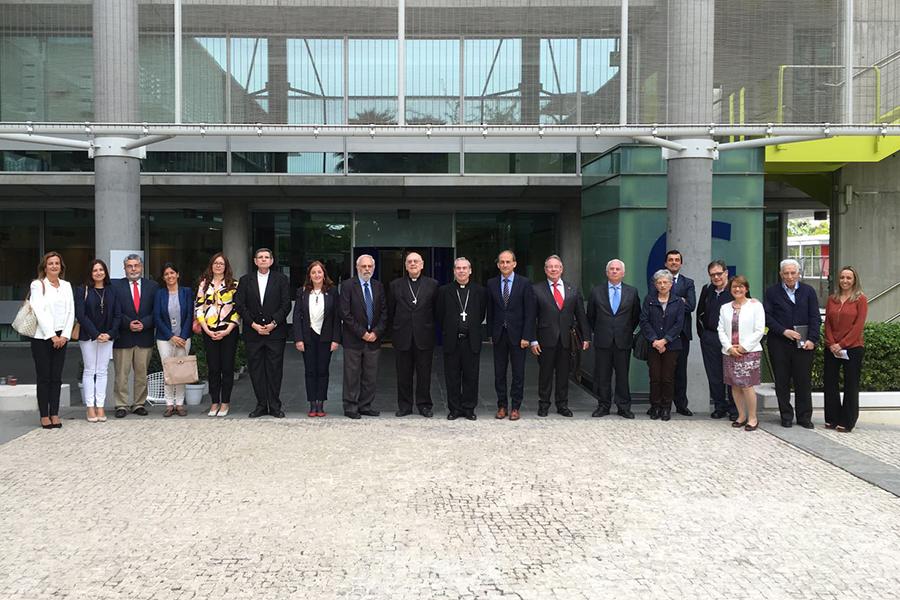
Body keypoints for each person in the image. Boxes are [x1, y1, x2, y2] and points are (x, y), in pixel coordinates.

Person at [763, 258, 822, 429]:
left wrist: (812, 339)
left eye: (793, 273)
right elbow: (767, 317)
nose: (789, 276)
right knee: (782, 382)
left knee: (803, 381)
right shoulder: (771, 292)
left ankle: (804, 417)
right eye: (786, 273)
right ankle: (786, 416)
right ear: (781, 274)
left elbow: (815, 318)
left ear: (798, 274)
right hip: (779, 343)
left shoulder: (808, 291)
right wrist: (783, 331)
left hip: (804, 345)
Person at [530, 255, 589, 417]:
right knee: (545, 374)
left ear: (562, 269)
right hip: (545, 339)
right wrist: (533, 339)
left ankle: (562, 405)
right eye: (550, 266)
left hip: (566, 339)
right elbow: (531, 317)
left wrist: (586, 337)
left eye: (556, 266)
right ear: (545, 269)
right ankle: (544, 404)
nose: (553, 269)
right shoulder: (536, 289)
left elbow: (580, 315)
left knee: (564, 374)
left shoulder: (572, 289)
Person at [235, 248, 291, 418]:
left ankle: (274, 405)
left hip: (275, 333)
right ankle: (261, 405)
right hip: (253, 333)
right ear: (255, 261)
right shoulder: (245, 280)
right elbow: (240, 305)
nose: (264, 260)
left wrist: (273, 323)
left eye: (267, 257)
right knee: (256, 370)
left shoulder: (281, 279)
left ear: (272, 261)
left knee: (275, 370)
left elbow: (286, 304)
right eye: (260, 257)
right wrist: (253, 324)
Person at [587, 259, 641, 418]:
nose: (615, 271)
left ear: (623, 273)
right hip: (603, 340)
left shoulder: (632, 292)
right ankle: (603, 406)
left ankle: (624, 407)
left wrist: (625, 331)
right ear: (607, 272)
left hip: (623, 340)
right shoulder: (596, 291)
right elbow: (591, 316)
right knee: (603, 376)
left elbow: (636, 316)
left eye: (618, 269)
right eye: (612, 269)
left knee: (623, 376)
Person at [486, 250, 536, 421]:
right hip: (499, 335)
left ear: (514, 264)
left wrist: (527, 336)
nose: (505, 265)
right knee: (499, 373)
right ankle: (502, 406)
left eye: (508, 262)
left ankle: (515, 407)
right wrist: (490, 334)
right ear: (498, 264)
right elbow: (490, 311)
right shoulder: (491, 283)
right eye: (502, 262)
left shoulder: (525, 283)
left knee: (518, 373)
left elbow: (530, 313)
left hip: (518, 336)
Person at [388, 252, 439, 418]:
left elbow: (437, 311)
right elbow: (391, 311)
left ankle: (424, 405)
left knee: (424, 374)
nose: (413, 264)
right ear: (405, 265)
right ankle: (405, 406)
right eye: (409, 261)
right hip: (402, 336)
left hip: (424, 336)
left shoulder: (432, 284)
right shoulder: (395, 285)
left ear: (422, 264)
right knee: (403, 374)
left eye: (416, 261)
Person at [28, 251, 75, 429]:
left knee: (56, 377)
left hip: (61, 337)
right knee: (44, 377)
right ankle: (44, 415)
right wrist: (52, 335)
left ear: (61, 266)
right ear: (45, 267)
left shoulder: (66, 285)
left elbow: (71, 311)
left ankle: (55, 413)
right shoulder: (37, 285)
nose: (54, 266)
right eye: (51, 263)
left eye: (57, 263)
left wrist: (64, 335)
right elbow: (39, 311)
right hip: (42, 338)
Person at [437, 257, 487, 421]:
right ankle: (454, 409)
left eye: (465, 268)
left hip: (471, 340)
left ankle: (469, 408)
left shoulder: (479, 291)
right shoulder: (444, 291)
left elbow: (480, 315)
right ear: (454, 271)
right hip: (452, 340)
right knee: (452, 377)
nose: (461, 271)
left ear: (470, 271)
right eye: (458, 268)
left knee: (471, 377)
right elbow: (440, 314)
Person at [340, 254, 388, 419]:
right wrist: (363, 333)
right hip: (353, 339)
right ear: (357, 267)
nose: (367, 269)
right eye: (363, 266)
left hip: (374, 339)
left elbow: (383, 312)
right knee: (351, 375)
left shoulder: (378, 286)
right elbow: (345, 314)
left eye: (369, 266)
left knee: (370, 375)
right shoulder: (347, 285)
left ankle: (365, 405)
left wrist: (375, 332)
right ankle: (351, 407)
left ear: (373, 268)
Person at [112, 254, 158, 418]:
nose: (133, 269)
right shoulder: (116, 286)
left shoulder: (152, 286)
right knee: (121, 374)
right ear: (124, 269)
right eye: (129, 266)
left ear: (141, 267)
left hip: (144, 336)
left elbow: (156, 311)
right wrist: (127, 323)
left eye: (136, 266)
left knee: (141, 374)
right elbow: (114, 310)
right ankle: (121, 404)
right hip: (123, 336)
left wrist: (144, 324)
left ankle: (138, 403)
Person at [74, 259, 121, 423]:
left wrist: (109, 334)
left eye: (101, 269)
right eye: (95, 270)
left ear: (105, 272)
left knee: (102, 371)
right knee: (89, 370)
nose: (98, 272)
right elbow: (81, 315)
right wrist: (96, 334)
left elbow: (117, 315)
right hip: (88, 337)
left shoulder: (112, 290)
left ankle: (100, 406)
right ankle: (90, 407)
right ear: (90, 273)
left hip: (107, 337)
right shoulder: (82, 290)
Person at [293, 261, 341, 418]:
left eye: (319, 272)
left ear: (324, 274)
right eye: (313, 272)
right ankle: (312, 403)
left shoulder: (332, 292)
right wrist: (298, 339)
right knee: (310, 371)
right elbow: (297, 317)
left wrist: (336, 339)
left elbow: (336, 317)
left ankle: (321, 403)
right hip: (307, 337)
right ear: (309, 275)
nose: (317, 275)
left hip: (326, 337)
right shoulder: (302, 292)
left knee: (323, 371)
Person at [718, 275, 766, 431]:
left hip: (749, 352)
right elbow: (721, 330)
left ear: (747, 288)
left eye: (741, 286)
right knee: (734, 385)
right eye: (734, 287)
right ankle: (741, 415)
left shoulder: (755, 305)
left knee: (747, 385)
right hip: (729, 352)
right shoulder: (725, 307)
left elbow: (760, 330)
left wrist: (743, 347)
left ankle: (752, 418)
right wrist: (730, 347)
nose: (737, 289)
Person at [823, 266, 868, 432]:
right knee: (830, 383)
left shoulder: (860, 299)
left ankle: (847, 421)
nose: (845, 281)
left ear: (854, 280)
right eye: (842, 277)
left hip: (853, 348)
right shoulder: (832, 299)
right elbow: (827, 323)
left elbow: (858, 326)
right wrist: (832, 343)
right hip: (832, 348)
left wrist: (842, 344)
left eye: (849, 278)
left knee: (851, 385)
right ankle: (832, 418)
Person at [196, 253, 240, 417]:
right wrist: (205, 328)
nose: (218, 266)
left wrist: (228, 329)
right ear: (211, 265)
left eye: (221, 263)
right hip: (209, 330)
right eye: (215, 263)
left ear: (226, 266)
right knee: (213, 368)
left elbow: (237, 309)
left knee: (227, 368)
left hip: (228, 331)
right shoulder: (204, 284)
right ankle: (214, 402)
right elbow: (199, 307)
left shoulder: (233, 285)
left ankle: (225, 403)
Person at [639, 269, 685, 421]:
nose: (662, 285)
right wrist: (655, 340)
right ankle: (655, 406)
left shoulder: (678, 301)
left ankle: (666, 408)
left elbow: (679, 324)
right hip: (653, 345)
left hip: (671, 345)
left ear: (671, 284)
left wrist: (665, 340)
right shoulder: (649, 300)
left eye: (665, 282)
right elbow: (644, 321)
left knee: (667, 378)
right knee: (655, 377)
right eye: (659, 282)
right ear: (655, 285)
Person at [696, 260, 737, 420]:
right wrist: (703, 334)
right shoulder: (707, 290)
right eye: (713, 275)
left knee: (732, 375)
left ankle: (734, 409)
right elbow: (700, 313)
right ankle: (720, 406)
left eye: (719, 273)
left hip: (731, 339)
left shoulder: (735, 288)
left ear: (726, 273)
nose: (716, 277)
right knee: (714, 375)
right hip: (711, 337)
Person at [154, 263, 194, 417]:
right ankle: (169, 404)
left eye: (172, 273)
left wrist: (182, 337)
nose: (170, 276)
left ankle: (180, 403)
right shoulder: (160, 294)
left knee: (181, 371)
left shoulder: (186, 292)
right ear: (163, 278)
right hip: (165, 339)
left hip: (184, 338)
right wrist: (171, 337)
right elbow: (157, 317)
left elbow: (190, 314)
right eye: (166, 274)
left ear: (177, 275)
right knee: (169, 371)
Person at [661, 250, 696, 416]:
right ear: (666, 263)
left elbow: (691, 306)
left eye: (677, 260)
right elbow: (655, 299)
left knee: (680, 371)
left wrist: (670, 299)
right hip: (660, 334)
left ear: (681, 263)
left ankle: (681, 404)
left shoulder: (688, 282)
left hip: (681, 334)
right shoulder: (657, 279)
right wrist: (680, 300)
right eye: (670, 260)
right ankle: (660, 404)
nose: (674, 262)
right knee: (661, 371)